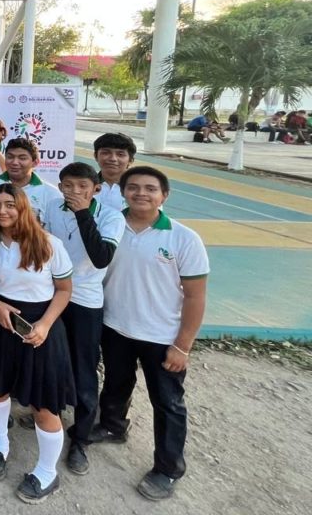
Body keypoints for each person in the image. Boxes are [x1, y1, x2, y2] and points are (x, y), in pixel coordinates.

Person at [91, 166, 209, 501]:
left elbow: (196, 296)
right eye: (134, 188)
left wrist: (182, 346)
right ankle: (113, 425)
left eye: (150, 189)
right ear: (123, 191)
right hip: (115, 326)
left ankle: (168, 468)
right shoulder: (110, 225)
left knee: (167, 402)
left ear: (164, 195)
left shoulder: (183, 238)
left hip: (161, 335)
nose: (141, 194)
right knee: (116, 381)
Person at [0, 184, 75, 504]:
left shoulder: (49, 244)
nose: (3, 211)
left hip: (40, 330)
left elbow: (64, 290)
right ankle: (0, 443)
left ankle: (47, 472)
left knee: (43, 404)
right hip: (1, 324)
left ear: (23, 207)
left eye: (10, 204)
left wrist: (45, 325)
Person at [42, 163, 126, 475]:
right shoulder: (52, 206)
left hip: (85, 301)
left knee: (83, 368)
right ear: (60, 186)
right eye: (68, 185)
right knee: (50, 359)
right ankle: (48, 410)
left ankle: (80, 438)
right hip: (51, 294)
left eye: (82, 187)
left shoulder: (110, 216)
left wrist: (82, 213)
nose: (74, 192)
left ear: (96, 189)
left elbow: (101, 256)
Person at [0, 138, 61, 221]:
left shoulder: (51, 194)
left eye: (22, 158)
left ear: (35, 162)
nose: (15, 162)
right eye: (10, 157)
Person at [92, 132, 136, 210]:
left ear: (130, 160)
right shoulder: (84, 185)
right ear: (96, 156)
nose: (113, 159)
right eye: (106, 153)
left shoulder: (140, 189)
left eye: (120, 154)